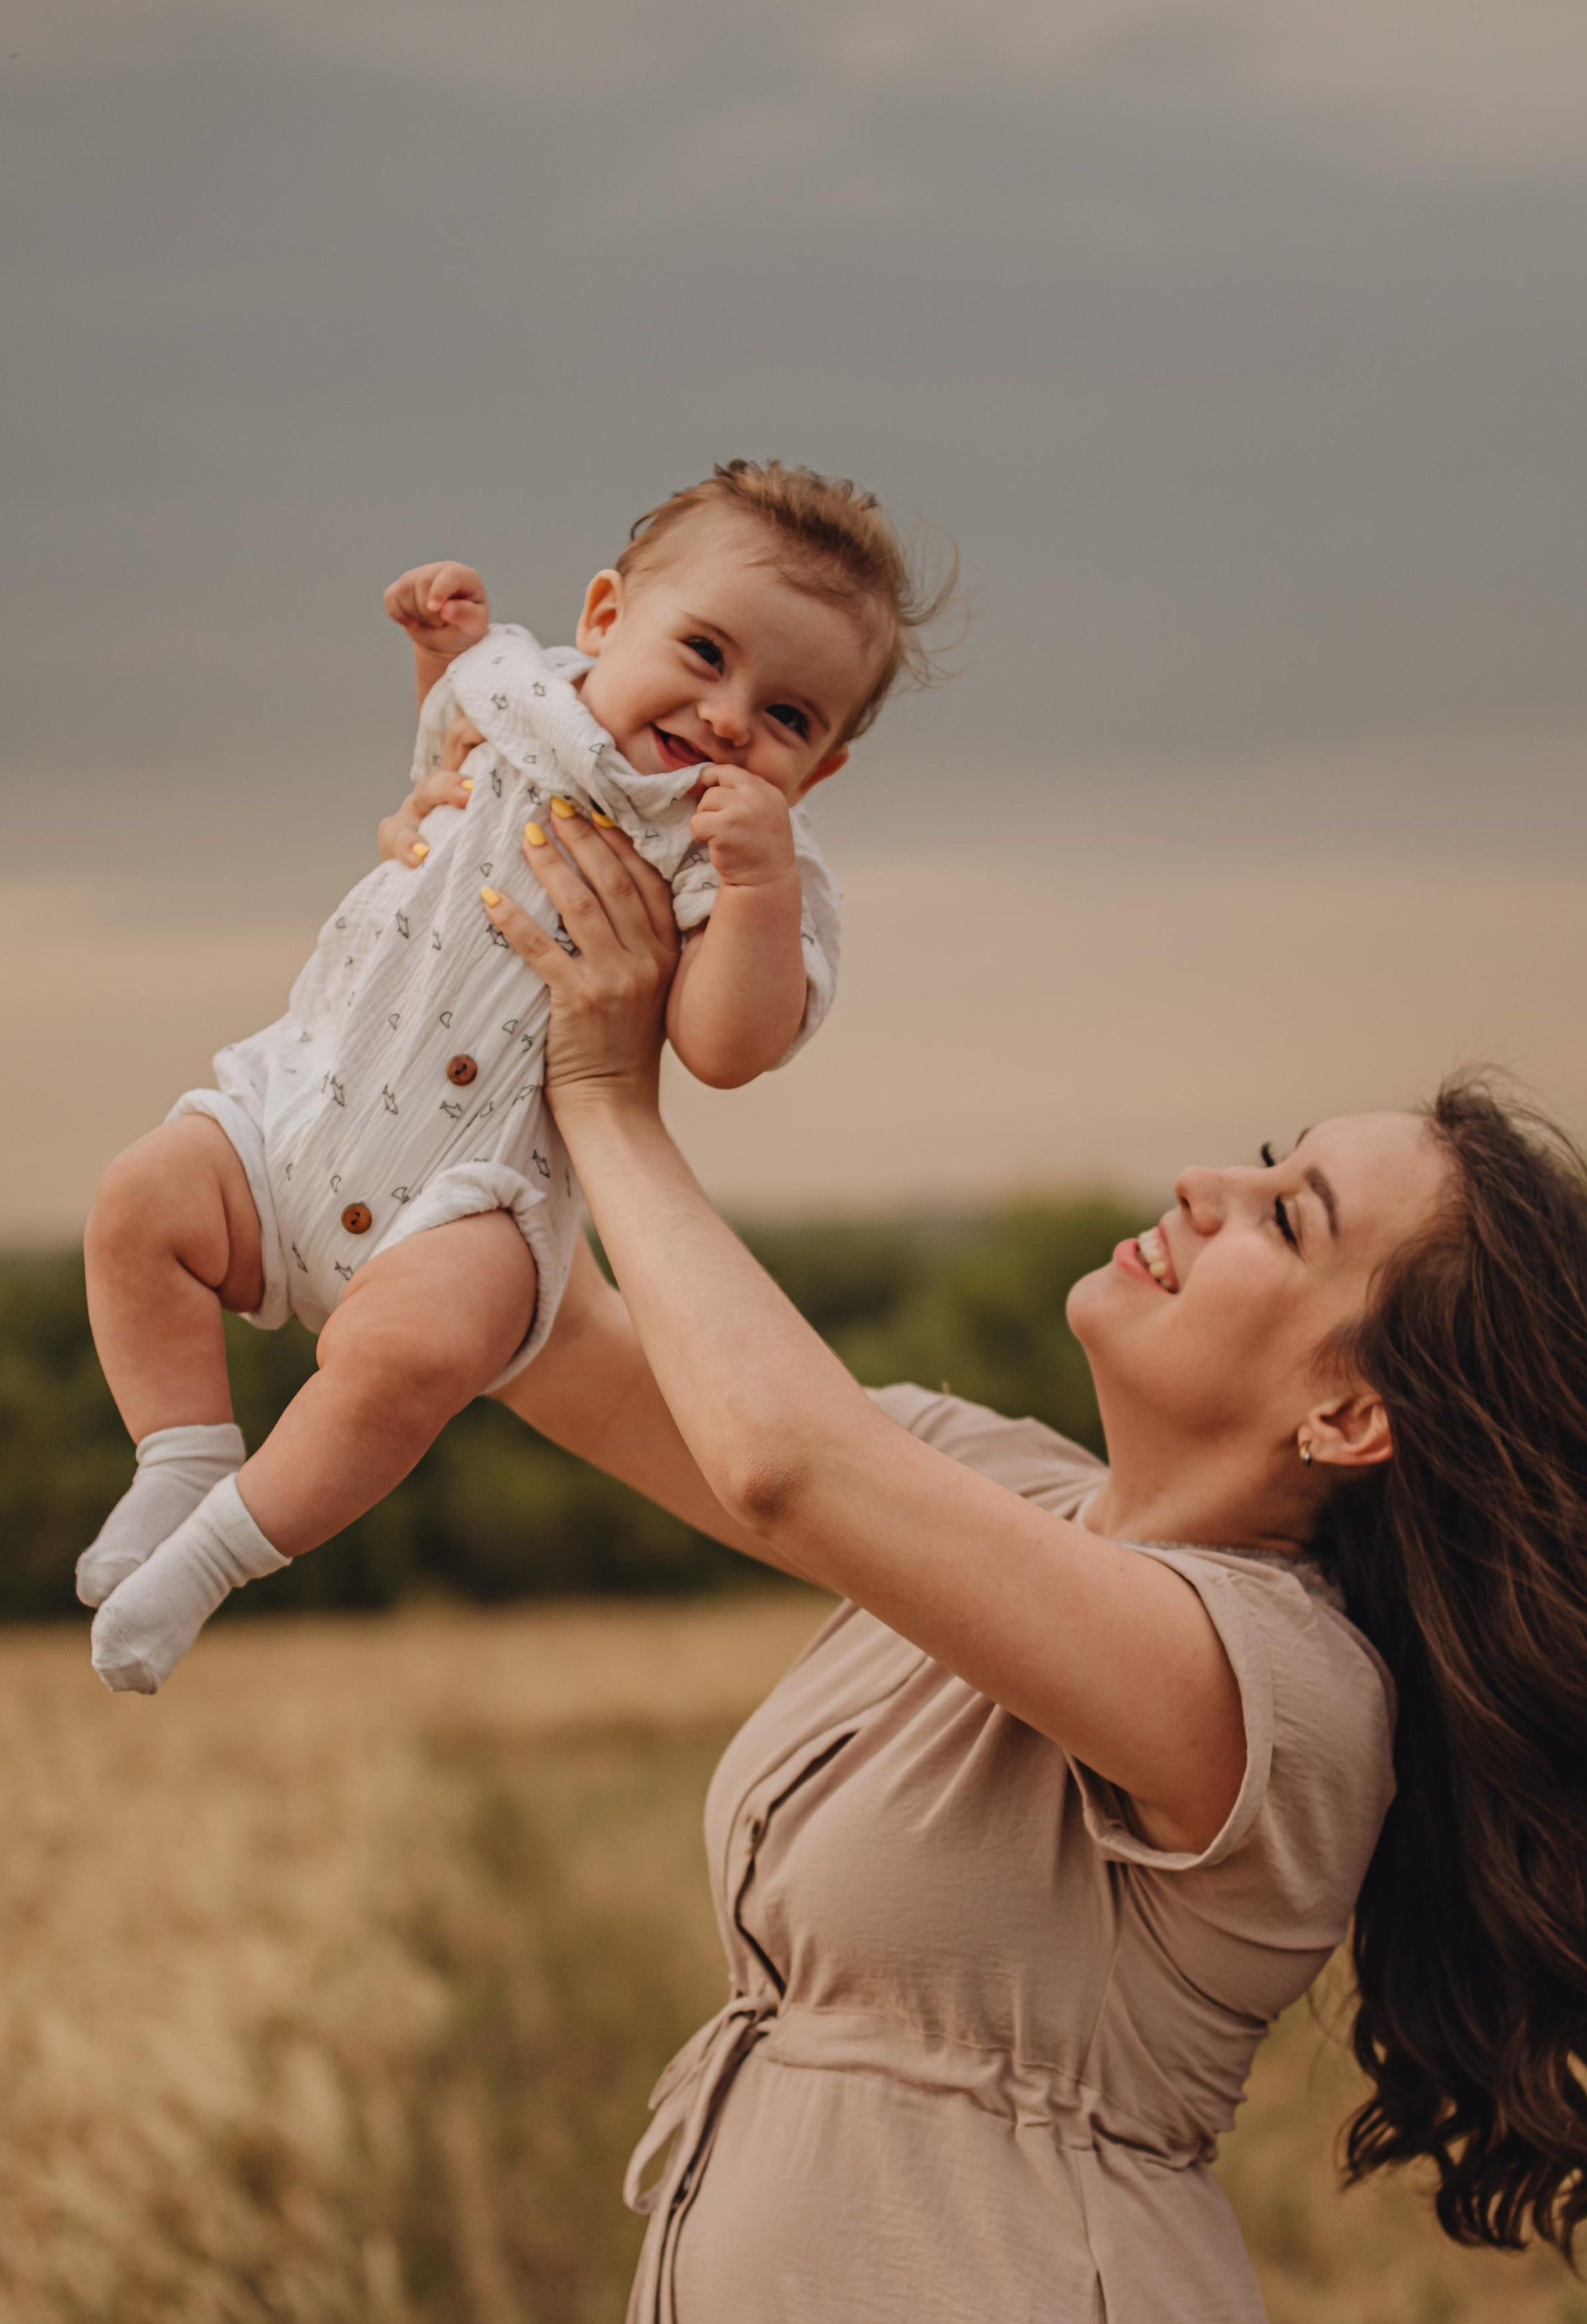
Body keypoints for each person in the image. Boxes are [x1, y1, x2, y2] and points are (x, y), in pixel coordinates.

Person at [431, 800, 1587, 2324]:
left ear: (1353, 1411)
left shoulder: (1279, 1687)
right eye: (1274, 1158)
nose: (1211, 1183)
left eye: (1289, 1217)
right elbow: (555, 1340)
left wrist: (613, 1099)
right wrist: (460, 936)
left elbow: (786, 1456)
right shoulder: (1012, 1494)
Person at [77, 461, 942, 1695]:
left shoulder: (740, 852)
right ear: (604, 622)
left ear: (823, 772)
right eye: (703, 653)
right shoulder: (520, 685)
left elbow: (723, 1047)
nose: (730, 717)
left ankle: (212, 1561)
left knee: (410, 1365)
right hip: (302, 1106)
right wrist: (443, 652)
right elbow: (446, 750)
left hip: (473, 1195)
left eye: (792, 719)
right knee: (137, 1202)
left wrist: (755, 893)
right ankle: (180, 1459)